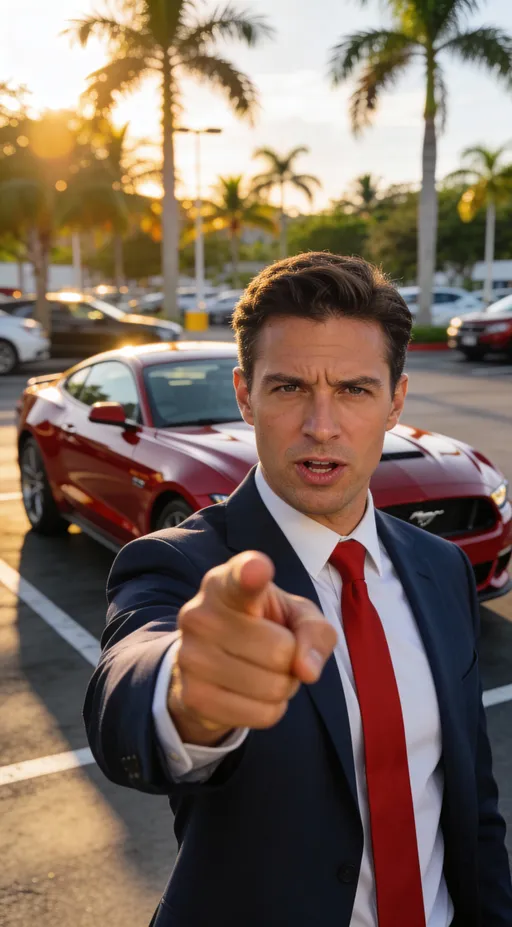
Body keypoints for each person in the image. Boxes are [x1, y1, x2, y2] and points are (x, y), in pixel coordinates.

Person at [84, 253, 512, 927]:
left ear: (396, 400)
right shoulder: (179, 565)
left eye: (355, 389)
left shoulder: (442, 568)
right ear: (245, 395)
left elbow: (472, 803)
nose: (321, 425)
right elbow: (128, 688)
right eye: (288, 388)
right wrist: (186, 690)